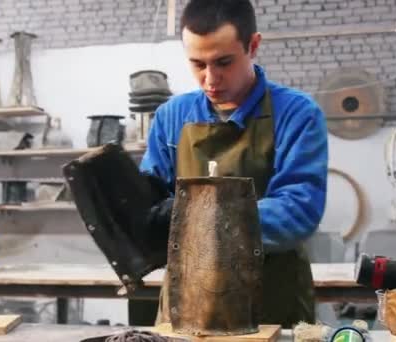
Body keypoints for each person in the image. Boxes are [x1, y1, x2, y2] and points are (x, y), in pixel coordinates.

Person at [140, 0, 328, 327]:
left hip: (270, 300)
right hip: (185, 305)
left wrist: (198, 219)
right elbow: (149, 204)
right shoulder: (172, 117)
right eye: (197, 64)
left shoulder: (297, 114)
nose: (210, 79)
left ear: (253, 46)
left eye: (223, 62)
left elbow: (299, 209)